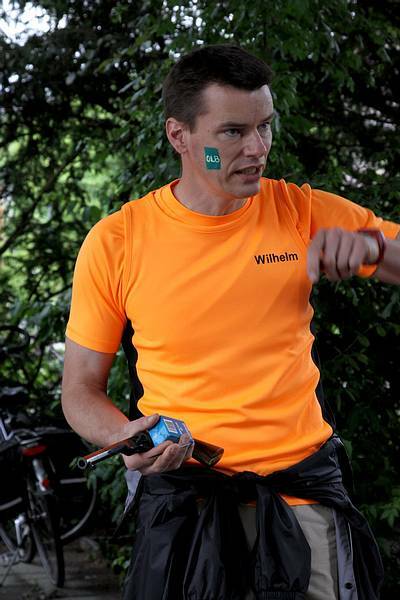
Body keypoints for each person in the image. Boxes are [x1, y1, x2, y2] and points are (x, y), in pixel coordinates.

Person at [62, 44, 400, 600]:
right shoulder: (118, 241)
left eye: (264, 126)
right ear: (179, 136)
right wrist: (122, 433)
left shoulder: (298, 211)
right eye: (233, 132)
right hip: (186, 505)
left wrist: (372, 249)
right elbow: (79, 390)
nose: (257, 148)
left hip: (301, 496)